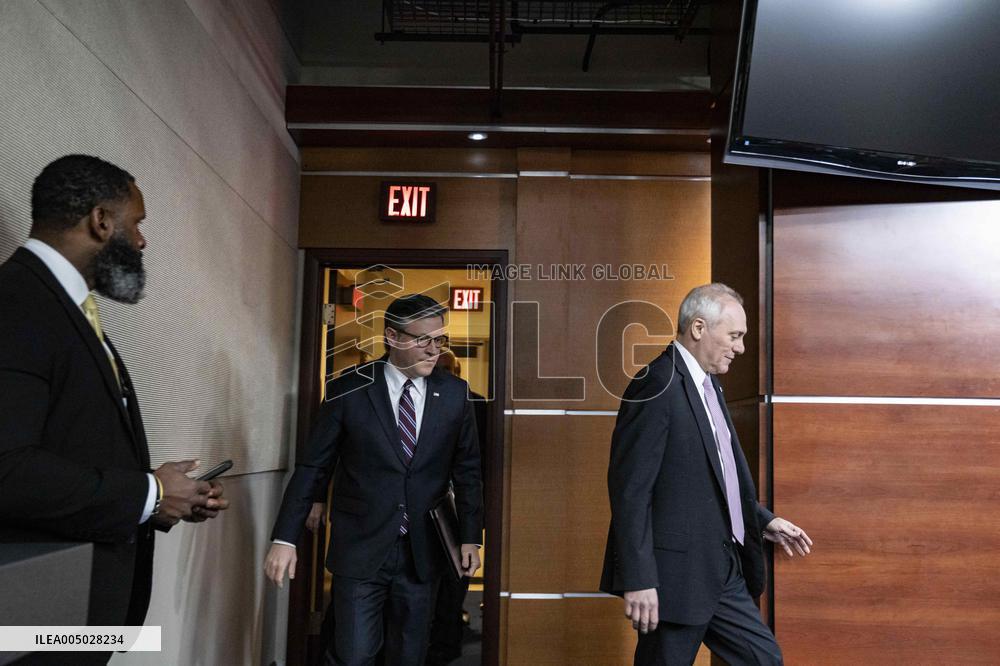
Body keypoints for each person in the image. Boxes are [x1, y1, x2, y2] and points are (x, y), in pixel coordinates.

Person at [0, 155, 229, 663]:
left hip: (72, 611)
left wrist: (162, 497)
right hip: (28, 618)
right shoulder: (16, 303)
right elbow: (7, 468)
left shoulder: (69, 309)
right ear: (101, 221)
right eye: (138, 224)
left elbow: (68, 447)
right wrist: (149, 492)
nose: (143, 241)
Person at [265, 294, 483, 666]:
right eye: (422, 340)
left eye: (439, 339)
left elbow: (467, 470)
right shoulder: (348, 388)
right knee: (354, 655)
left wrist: (468, 537)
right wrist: (285, 537)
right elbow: (314, 467)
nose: (434, 350)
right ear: (392, 337)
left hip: (422, 550)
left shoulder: (454, 394)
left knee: (409, 655)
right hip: (360, 547)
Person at [600, 283, 812, 665]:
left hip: (721, 569)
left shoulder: (709, 385)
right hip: (673, 578)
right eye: (735, 335)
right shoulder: (656, 382)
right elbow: (630, 490)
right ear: (698, 328)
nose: (741, 347)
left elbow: (712, 476)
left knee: (764, 659)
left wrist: (763, 520)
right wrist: (639, 578)